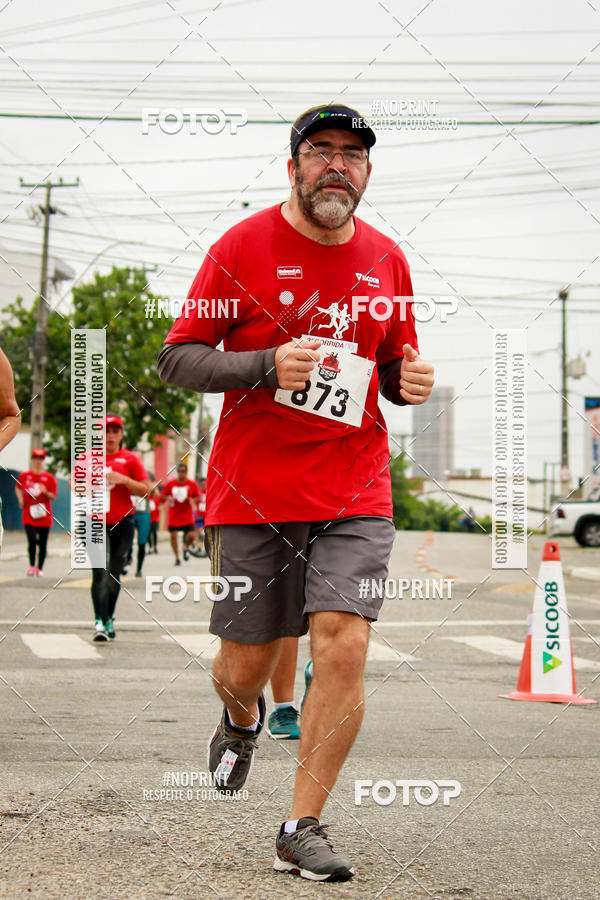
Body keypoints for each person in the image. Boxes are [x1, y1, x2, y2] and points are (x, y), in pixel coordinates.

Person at [157, 102, 434, 882]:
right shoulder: (241, 247)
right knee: (244, 666)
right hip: (256, 490)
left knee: (343, 640)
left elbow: (389, 367)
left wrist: (406, 383)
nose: (337, 165)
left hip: (354, 481)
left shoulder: (387, 260)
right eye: (321, 152)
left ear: (367, 173)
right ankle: (240, 719)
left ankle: (300, 824)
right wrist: (261, 364)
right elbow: (177, 359)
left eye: (353, 154)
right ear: (294, 167)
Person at [74, 414, 151, 641]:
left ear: (121, 434)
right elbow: (73, 482)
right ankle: (99, 622)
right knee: (100, 572)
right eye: (106, 431)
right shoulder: (88, 458)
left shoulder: (131, 459)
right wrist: (88, 482)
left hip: (122, 523)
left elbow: (147, 489)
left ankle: (109, 617)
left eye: (115, 431)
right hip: (93, 522)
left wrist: (124, 480)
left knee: (114, 575)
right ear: (99, 435)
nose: (110, 436)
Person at [15, 448, 57, 575]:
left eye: (41, 458)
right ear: (32, 459)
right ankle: (31, 566)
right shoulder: (24, 475)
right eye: (36, 458)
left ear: (43, 460)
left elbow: (53, 496)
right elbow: (17, 487)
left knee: (42, 543)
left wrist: (45, 491)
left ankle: (40, 568)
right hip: (29, 514)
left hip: (44, 514)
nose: (38, 461)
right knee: (32, 540)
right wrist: (20, 499)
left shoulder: (49, 478)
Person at [158, 462, 200, 565]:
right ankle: (177, 557)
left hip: (187, 514)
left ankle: (186, 547)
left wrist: (192, 500)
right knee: (173, 536)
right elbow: (162, 495)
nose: (181, 473)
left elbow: (198, 497)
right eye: (179, 471)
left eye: (183, 471)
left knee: (191, 535)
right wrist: (167, 498)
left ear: (186, 472)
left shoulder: (192, 484)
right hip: (174, 515)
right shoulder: (171, 483)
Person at [148, 484, 161, 554]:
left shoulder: (157, 498)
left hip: (155, 518)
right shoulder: (148, 498)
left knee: (154, 532)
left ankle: (155, 547)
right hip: (148, 519)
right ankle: (150, 547)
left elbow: (161, 505)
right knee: (148, 533)